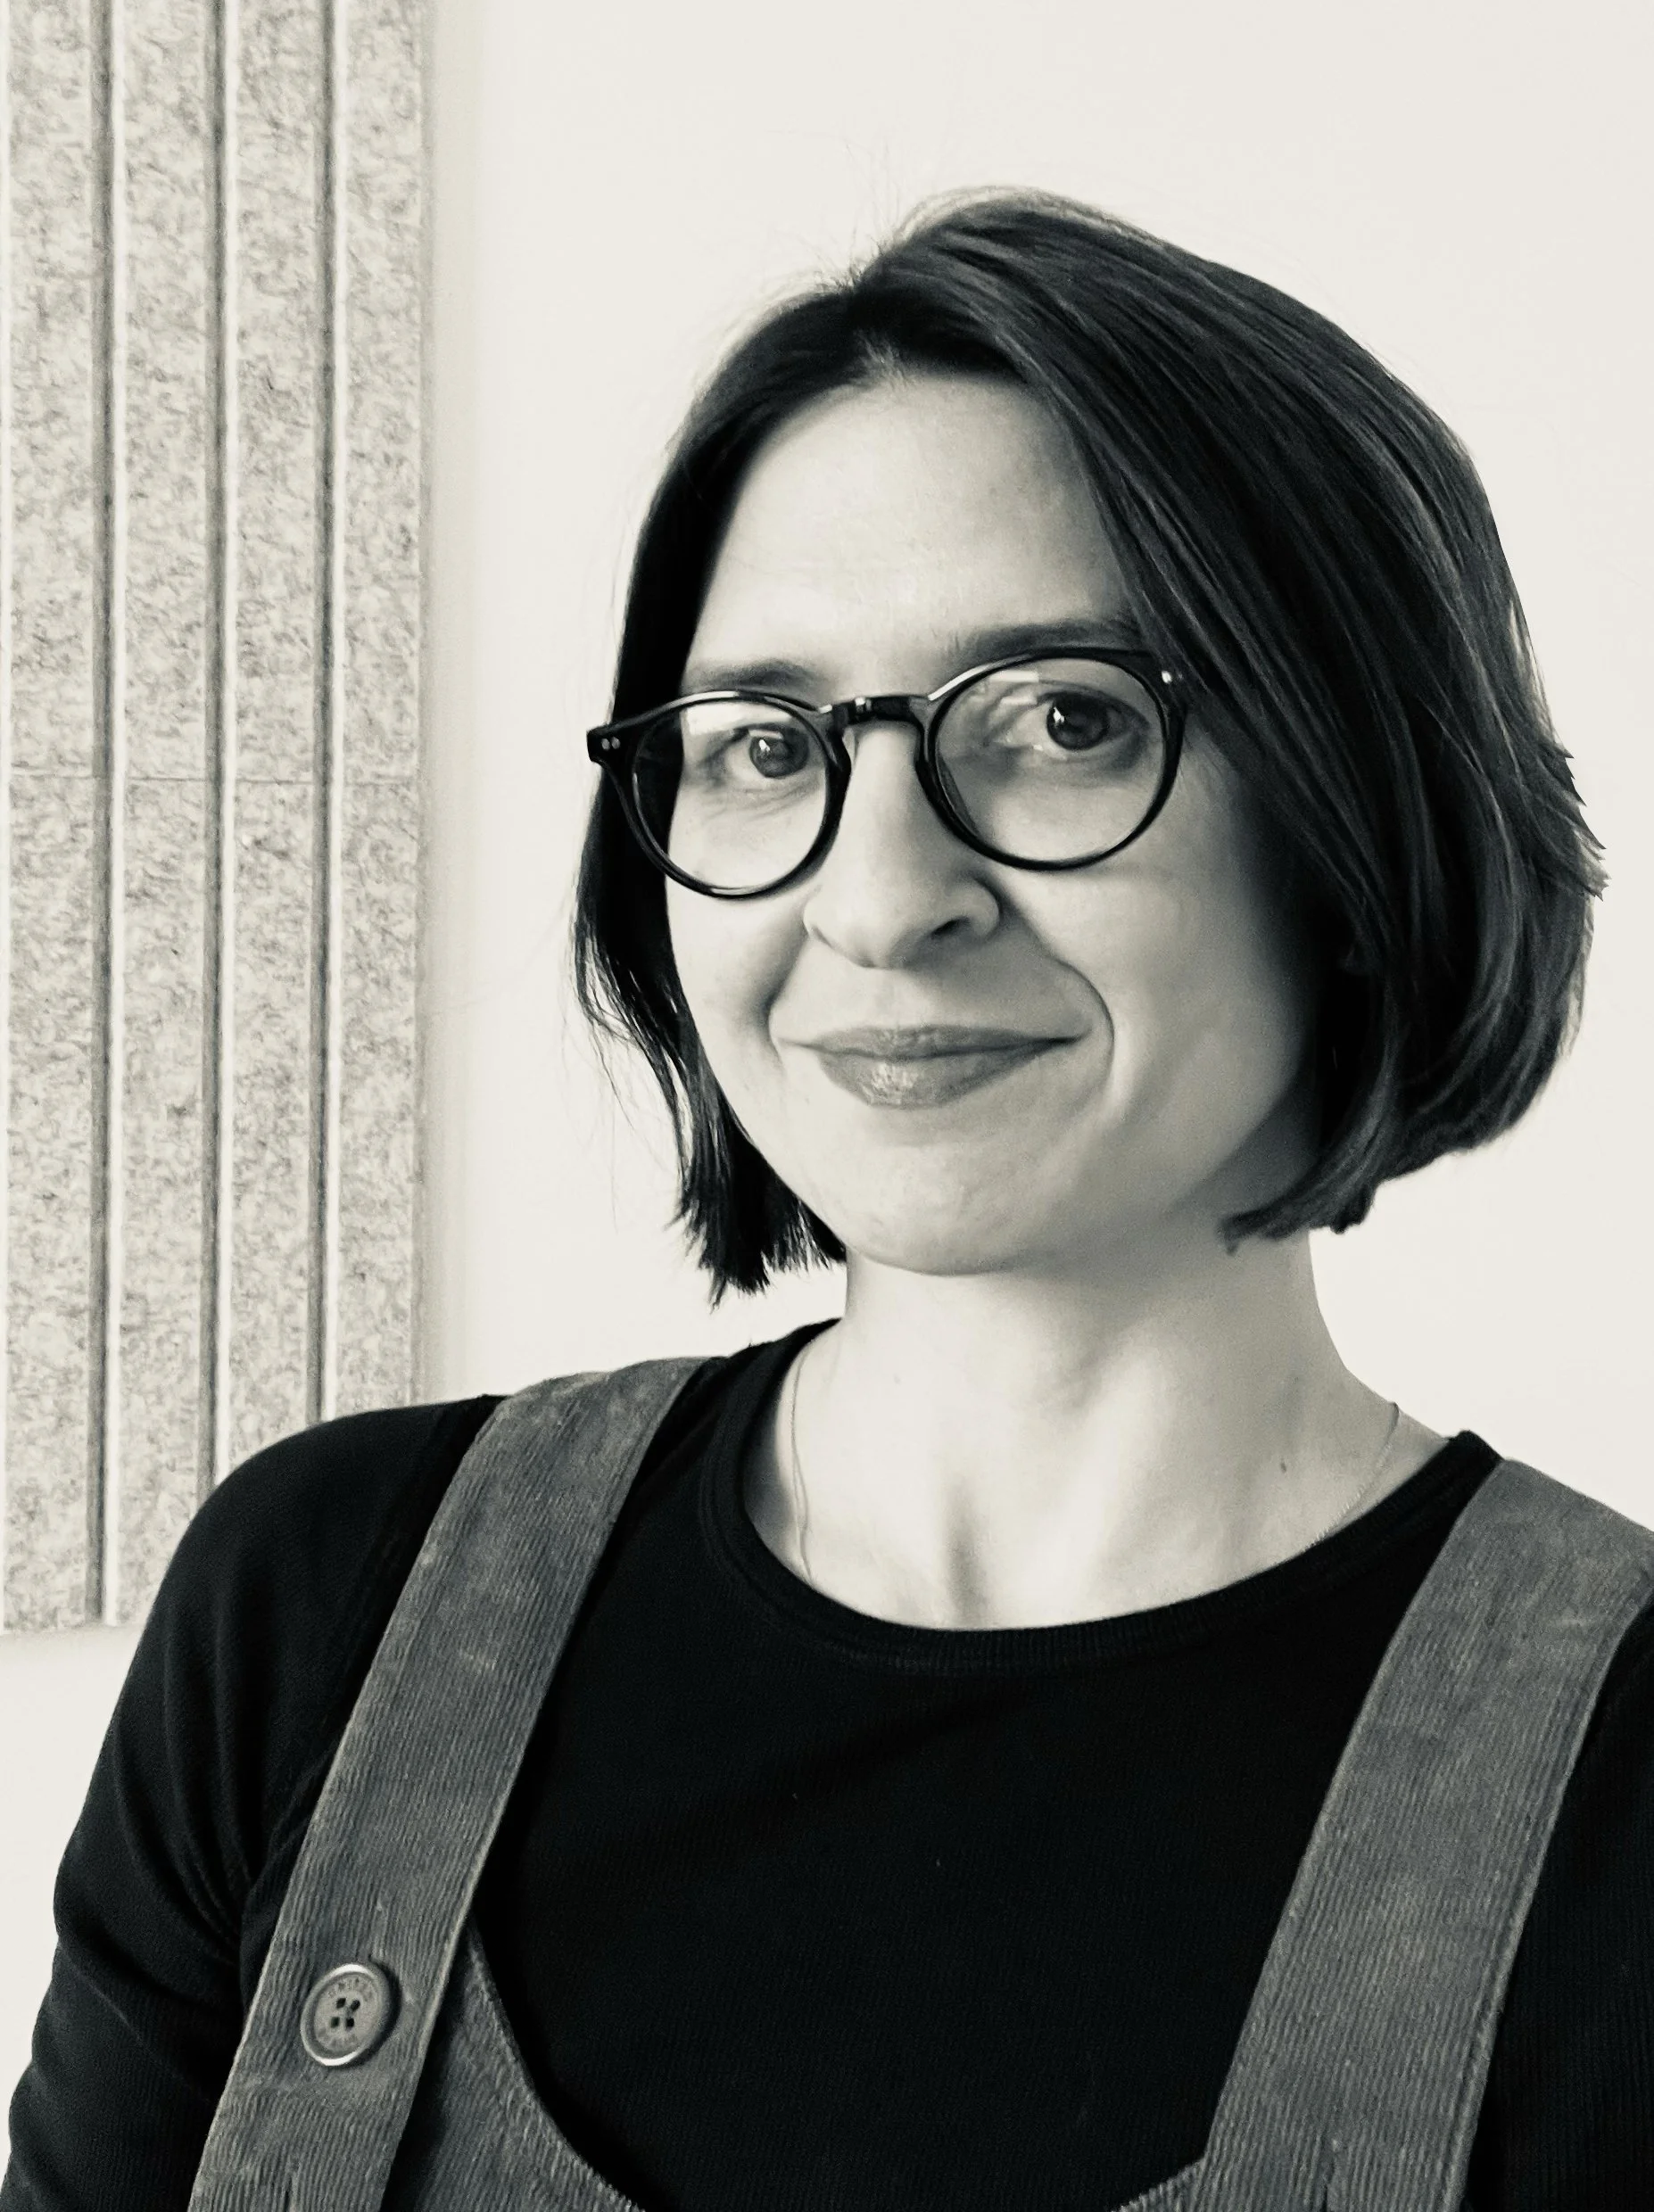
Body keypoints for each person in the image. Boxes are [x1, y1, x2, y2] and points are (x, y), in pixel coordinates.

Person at [4, 191, 1651, 2212]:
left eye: (1063, 721)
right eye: (766, 746)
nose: (876, 899)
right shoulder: (317, 1606)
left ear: (1358, 813)